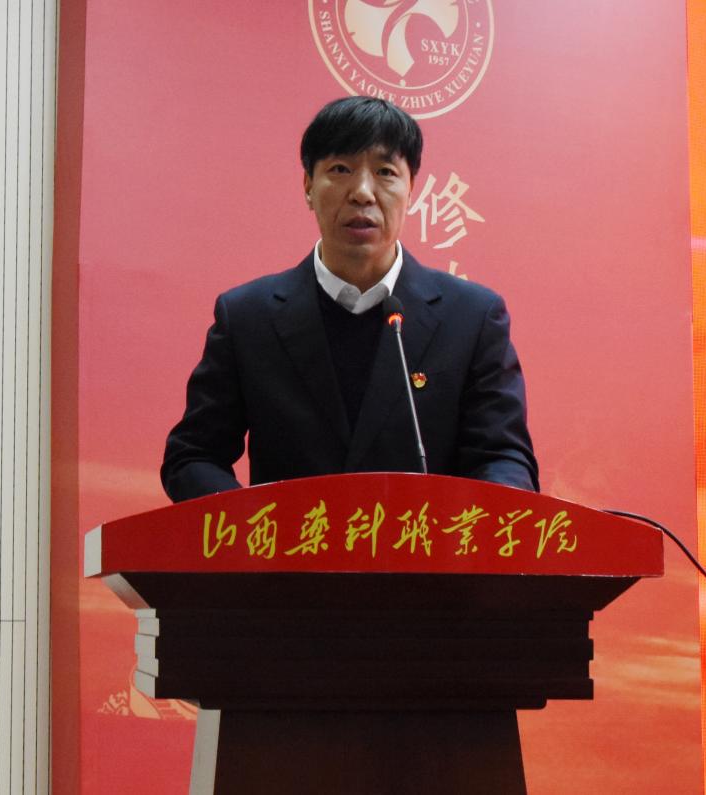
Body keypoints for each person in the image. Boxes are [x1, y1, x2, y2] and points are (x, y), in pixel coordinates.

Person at [161, 96, 537, 502]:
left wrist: (481, 516)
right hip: (291, 543)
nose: (362, 193)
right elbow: (193, 456)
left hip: (424, 543)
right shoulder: (247, 317)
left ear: (411, 189)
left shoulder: (473, 318)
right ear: (308, 186)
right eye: (341, 169)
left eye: (385, 172)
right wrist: (252, 524)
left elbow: (503, 457)